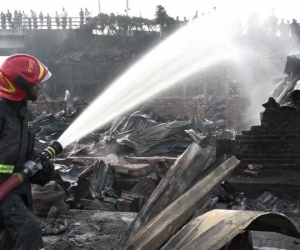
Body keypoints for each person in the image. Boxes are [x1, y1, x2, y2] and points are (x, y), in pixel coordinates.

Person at [0, 54, 54, 249]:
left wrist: (41, 169)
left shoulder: (25, 114)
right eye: (35, 84)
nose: (39, 87)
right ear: (20, 85)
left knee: (10, 240)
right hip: (3, 190)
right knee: (28, 231)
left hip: (18, 189)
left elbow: (26, 153)